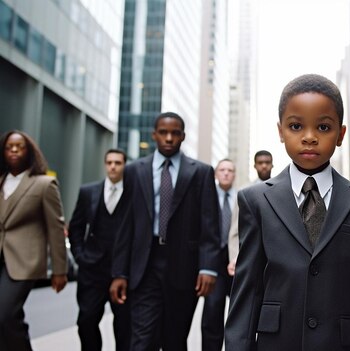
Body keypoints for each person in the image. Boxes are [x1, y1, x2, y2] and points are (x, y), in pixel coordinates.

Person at [225, 74, 350, 350]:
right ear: (280, 131)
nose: (309, 137)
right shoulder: (255, 200)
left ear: (341, 135)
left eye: (324, 127)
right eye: (296, 126)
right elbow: (247, 292)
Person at [109, 112, 221, 350]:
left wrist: (208, 267)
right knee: (142, 340)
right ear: (154, 135)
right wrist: (119, 273)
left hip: (184, 266)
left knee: (174, 339)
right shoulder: (134, 171)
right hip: (144, 265)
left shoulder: (201, 172)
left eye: (175, 133)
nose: (169, 138)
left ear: (183, 136)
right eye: (163, 133)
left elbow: (209, 225)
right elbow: (125, 225)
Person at [0, 130, 67, 350]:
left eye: (20, 146)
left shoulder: (44, 184)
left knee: (6, 314)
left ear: (30, 151)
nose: (14, 151)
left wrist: (59, 270)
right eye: (9, 147)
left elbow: (56, 228)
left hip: (24, 261)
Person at [68, 149, 131, 351]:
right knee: (86, 321)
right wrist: (80, 256)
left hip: (123, 272)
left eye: (118, 163)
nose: (113, 166)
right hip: (92, 270)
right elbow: (75, 227)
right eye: (109, 162)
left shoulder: (134, 193)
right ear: (105, 164)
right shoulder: (88, 192)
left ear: (124, 165)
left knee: (124, 326)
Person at [201, 158, 237, 351]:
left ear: (234, 174)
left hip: (235, 262)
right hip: (213, 262)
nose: (225, 173)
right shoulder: (206, 197)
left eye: (230, 170)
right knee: (212, 311)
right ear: (216, 174)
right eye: (222, 170)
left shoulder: (243, 197)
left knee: (238, 313)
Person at [226, 150, 274, 276]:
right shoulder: (245, 192)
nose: (264, 166)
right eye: (260, 163)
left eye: (267, 162)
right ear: (255, 166)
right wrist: (234, 258)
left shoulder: (283, 190)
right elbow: (235, 230)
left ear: (272, 165)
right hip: (251, 257)